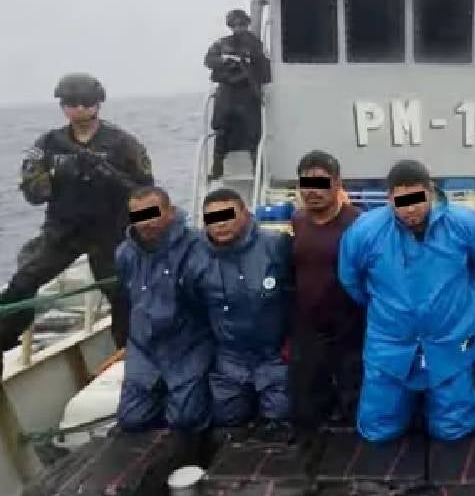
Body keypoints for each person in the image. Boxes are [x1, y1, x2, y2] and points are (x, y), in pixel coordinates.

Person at [0, 73, 153, 370]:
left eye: (86, 102)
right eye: (71, 103)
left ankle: (130, 354)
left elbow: (147, 191)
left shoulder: (122, 143)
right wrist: (56, 175)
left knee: (122, 292)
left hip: (109, 231)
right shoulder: (48, 144)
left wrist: (109, 176)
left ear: (98, 103)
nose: (79, 109)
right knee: (23, 282)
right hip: (63, 231)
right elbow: (32, 192)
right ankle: (4, 339)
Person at [339, 160, 475, 442]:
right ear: (389, 198)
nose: (410, 209)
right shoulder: (364, 232)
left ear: (430, 191)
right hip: (389, 343)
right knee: (378, 429)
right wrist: (392, 312)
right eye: (402, 201)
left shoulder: (466, 224)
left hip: (450, 339)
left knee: (453, 429)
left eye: (417, 199)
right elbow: (351, 280)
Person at [115, 187, 213, 437]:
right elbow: (124, 300)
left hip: (187, 343)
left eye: (152, 214)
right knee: (131, 419)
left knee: (186, 419)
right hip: (144, 346)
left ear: (170, 211)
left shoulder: (197, 246)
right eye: (138, 216)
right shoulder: (125, 254)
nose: (145, 223)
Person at [195, 188, 293, 427]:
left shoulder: (277, 245)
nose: (221, 225)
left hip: (274, 356)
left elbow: (298, 295)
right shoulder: (195, 256)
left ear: (246, 215)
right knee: (227, 419)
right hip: (228, 357)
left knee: (280, 416)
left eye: (227, 216)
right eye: (213, 219)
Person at [288, 150, 363, 429]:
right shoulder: (298, 221)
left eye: (320, 184)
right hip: (309, 327)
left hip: (351, 326)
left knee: (352, 400)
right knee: (309, 403)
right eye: (306, 185)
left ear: (337, 183)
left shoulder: (358, 223)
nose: (312, 192)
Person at [204, 9, 272, 181]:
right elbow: (208, 60)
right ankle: (217, 167)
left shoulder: (256, 45)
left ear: (247, 24)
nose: (238, 28)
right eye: (235, 25)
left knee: (253, 132)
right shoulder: (222, 44)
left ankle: (258, 169)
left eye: (242, 24)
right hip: (227, 93)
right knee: (221, 130)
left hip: (247, 93)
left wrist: (250, 63)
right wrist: (225, 60)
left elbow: (265, 69)